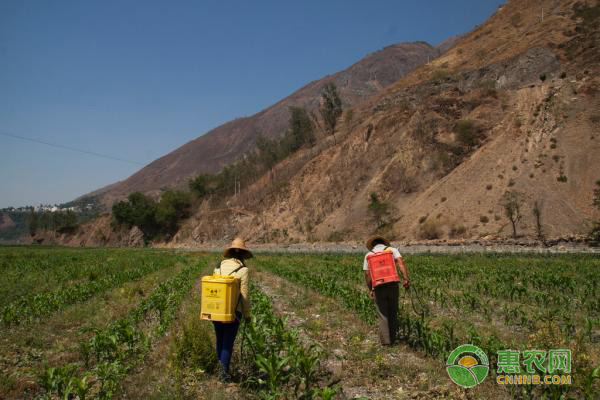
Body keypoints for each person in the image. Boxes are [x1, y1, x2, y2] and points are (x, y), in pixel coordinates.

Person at [212, 237, 252, 382]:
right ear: (243, 254)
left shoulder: (218, 267)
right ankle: (223, 375)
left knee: (220, 340)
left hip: (216, 310)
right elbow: (244, 295)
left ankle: (220, 369)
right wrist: (247, 315)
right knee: (227, 343)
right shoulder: (243, 270)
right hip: (233, 312)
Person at [363, 236, 409, 346]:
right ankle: (393, 340)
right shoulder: (392, 250)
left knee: (383, 314)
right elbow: (401, 264)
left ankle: (386, 343)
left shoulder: (368, 255)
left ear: (372, 245)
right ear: (384, 243)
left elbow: (367, 274)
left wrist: (371, 289)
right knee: (393, 312)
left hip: (378, 287)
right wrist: (406, 279)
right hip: (392, 284)